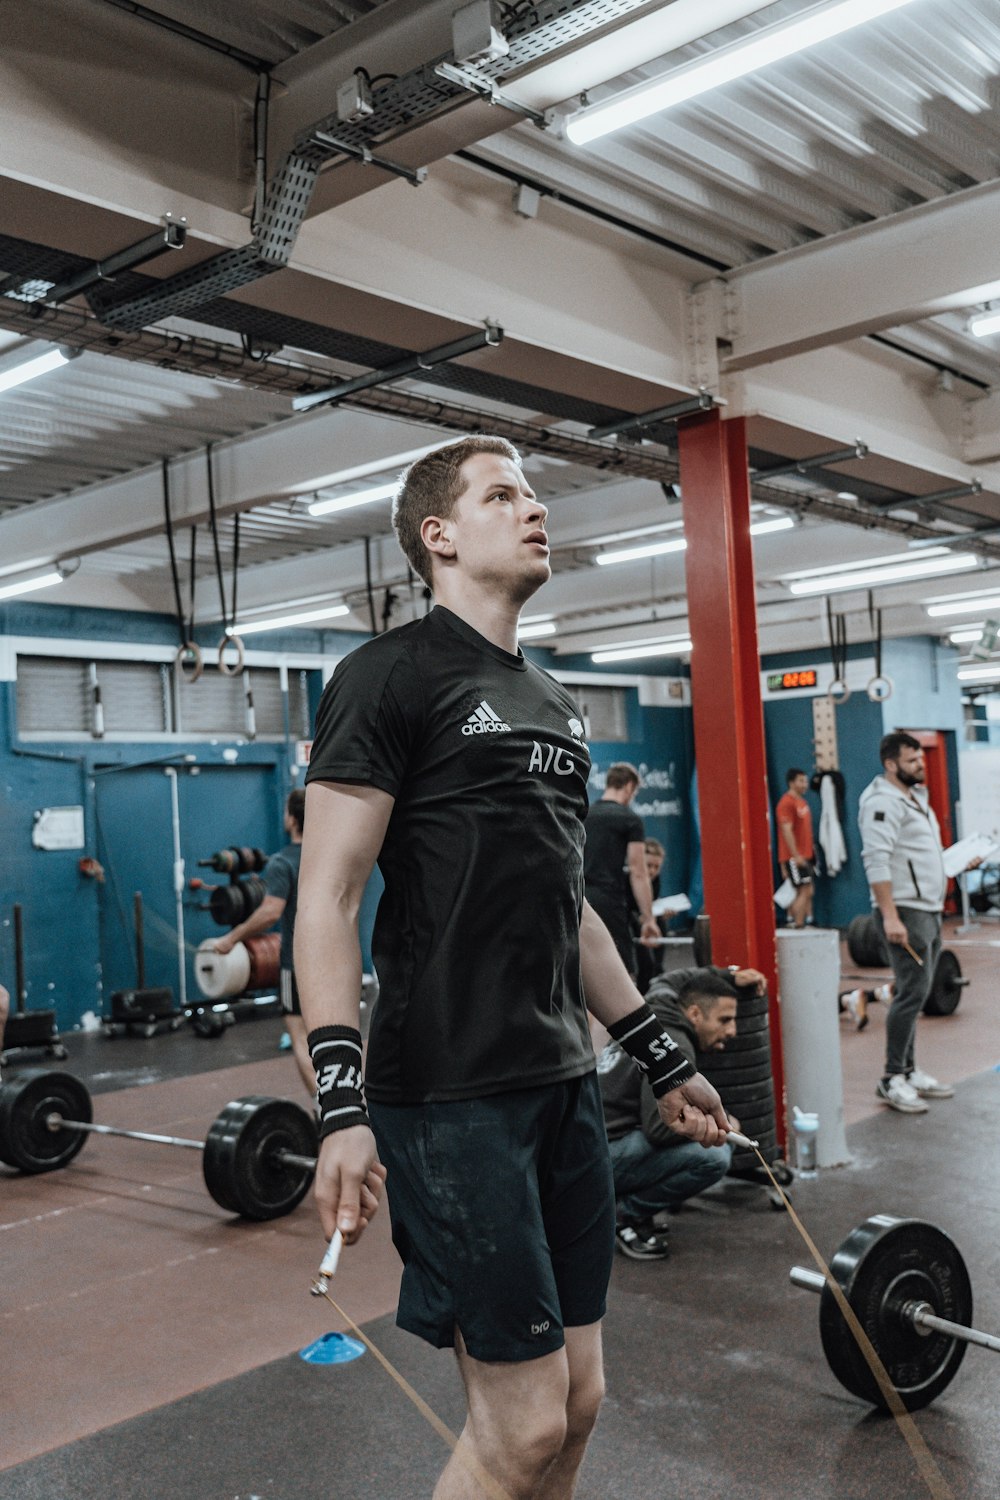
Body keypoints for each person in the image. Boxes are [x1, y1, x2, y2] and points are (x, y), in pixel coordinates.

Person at [295, 434, 730, 1500]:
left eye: (534, 495)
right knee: (522, 1424)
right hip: (449, 1096)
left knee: (578, 1404)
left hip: (558, 1086)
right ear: (437, 536)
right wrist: (339, 1107)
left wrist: (663, 1057)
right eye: (503, 495)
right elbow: (329, 898)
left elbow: (568, 907)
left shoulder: (555, 703)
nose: (534, 510)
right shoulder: (384, 677)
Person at [859, 732, 980, 1113]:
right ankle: (891, 1078)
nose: (921, 766)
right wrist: (891, 915)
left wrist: (957, 861)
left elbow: (920, 857)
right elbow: (875, 860)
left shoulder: (916, 801)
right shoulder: (881, 802)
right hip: (905, 911)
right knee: (911, 993)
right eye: (913, 761)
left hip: (926, 908)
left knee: (917, 992)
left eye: (921, 760)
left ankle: (908, 1071)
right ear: (891, 764)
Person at [598, 970, 742, 1260]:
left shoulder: (657, 1010)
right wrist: (720, 1122)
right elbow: (659, 1129)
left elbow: (668, 978)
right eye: (724, 1020)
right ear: (695, 1014)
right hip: (593, 1159)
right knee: (714, 1157)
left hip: (587, 1143)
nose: (733, 1031)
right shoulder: (677, 1047)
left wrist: (730, 974)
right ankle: (622, 1216)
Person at [211, 789, 314, 1098]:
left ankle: (326, 1115)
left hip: (297, 964)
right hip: (336, 962)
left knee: (301, 1039)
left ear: (292, 819)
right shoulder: (327, 857)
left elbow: (270, 912)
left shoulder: (282, 862)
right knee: (335, 1039)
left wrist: (230, 938)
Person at [583, 763, 659, 976]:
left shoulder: (584, 813)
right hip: (609, 901)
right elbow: (638, 871)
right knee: (622, 972)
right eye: (634, 792)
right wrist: (649, 918)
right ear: (628, 787)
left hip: (580, 899)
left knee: (587, 972)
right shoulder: (630, 819)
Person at [775, 768, 815, 929]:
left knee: (808, 891)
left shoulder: (802, 802)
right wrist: (795, 855)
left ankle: (799, 923)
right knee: (804, 890)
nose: (805, 784)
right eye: (801, 781)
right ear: (791, 782)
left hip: (806, 855)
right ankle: (797, 925)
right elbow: (786, 830)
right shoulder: (786, 803)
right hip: (795, 857)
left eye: (806, 781)